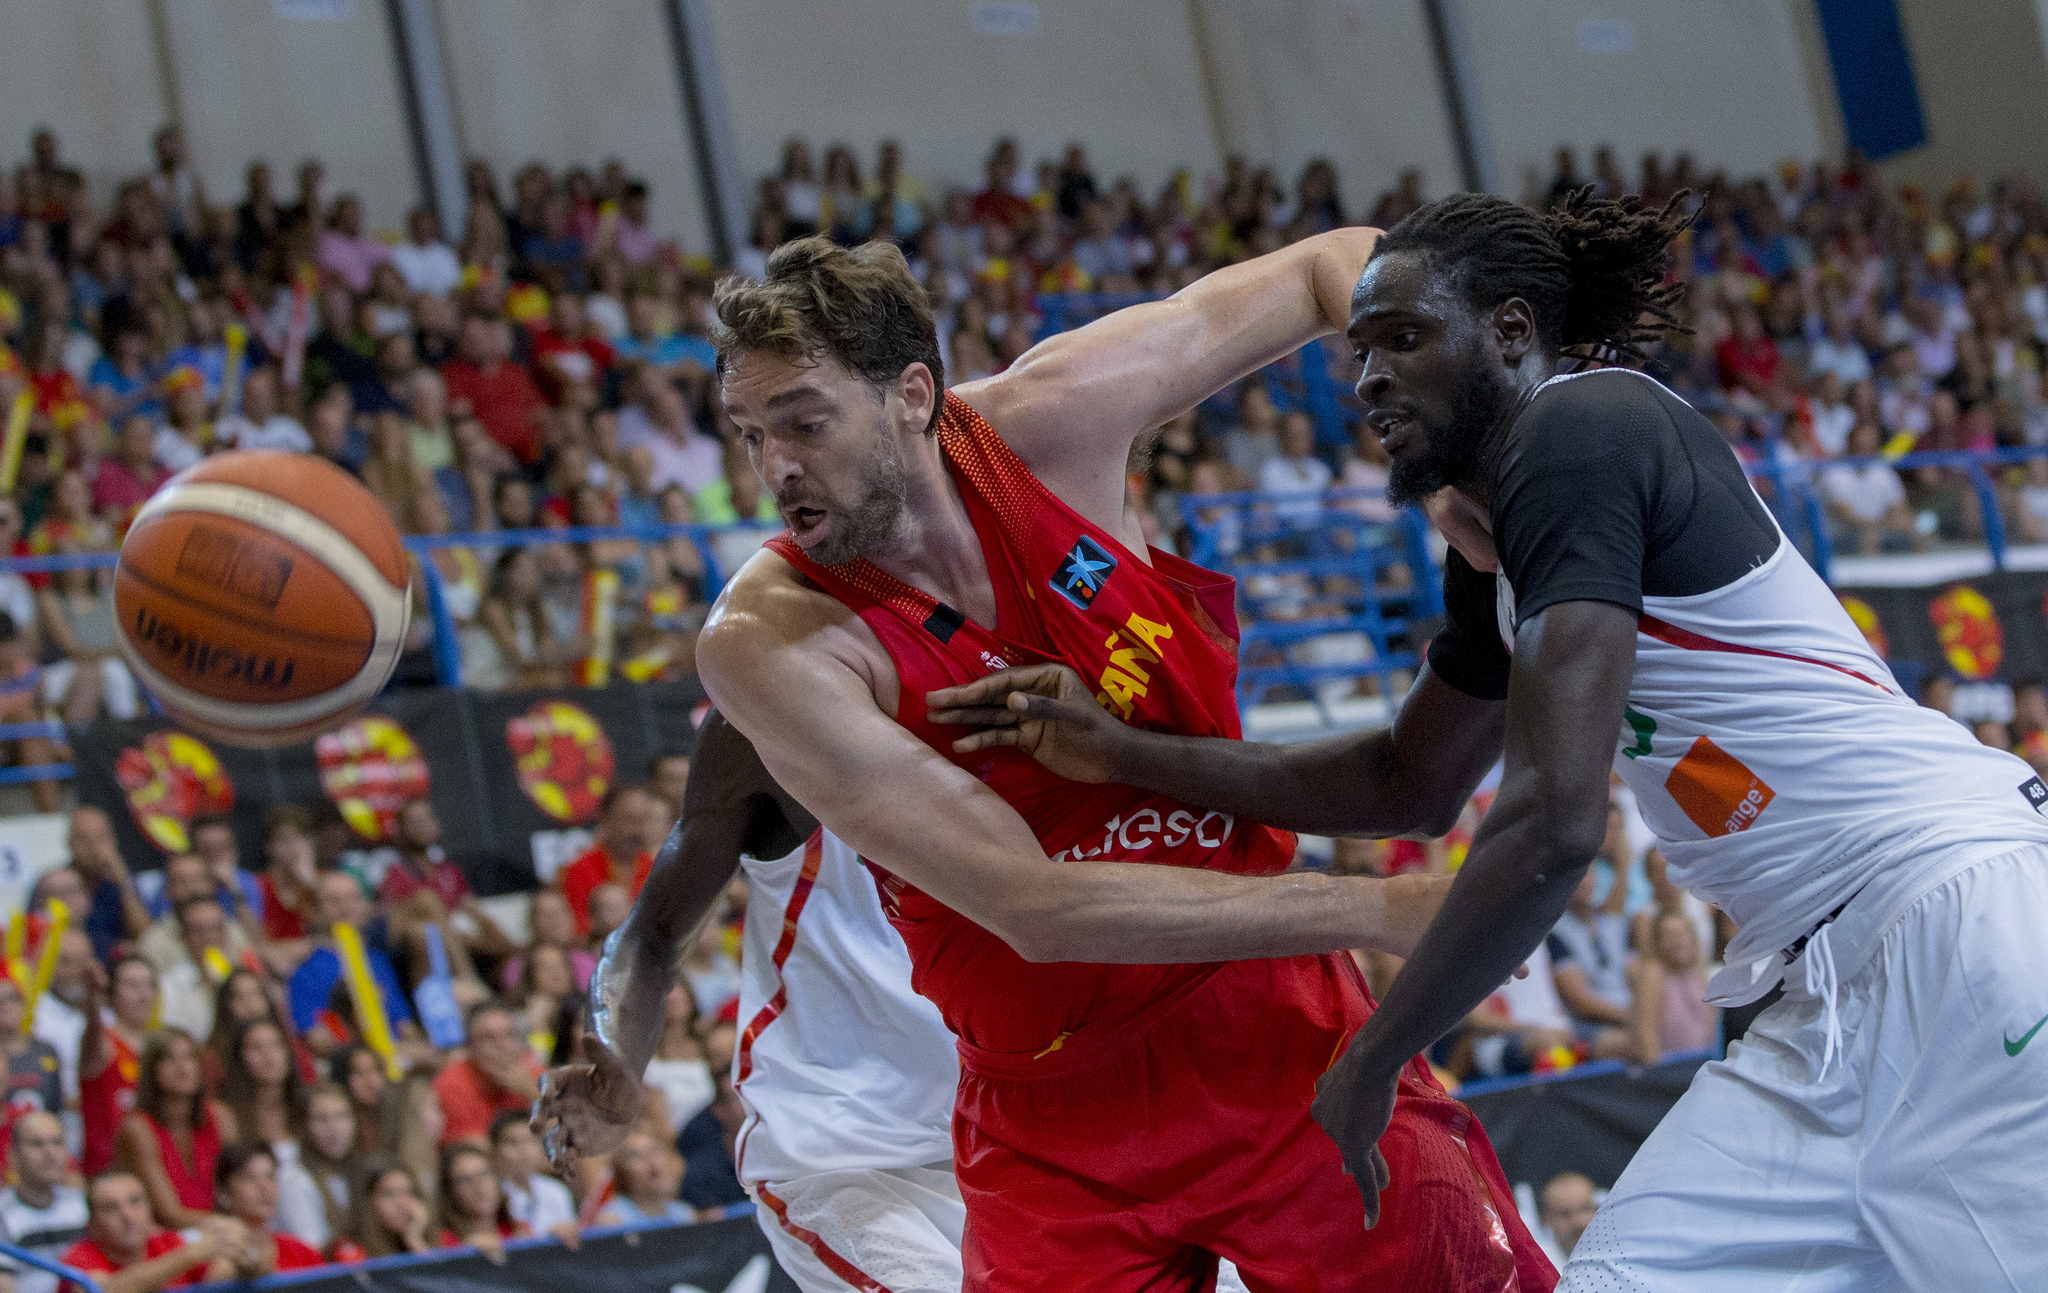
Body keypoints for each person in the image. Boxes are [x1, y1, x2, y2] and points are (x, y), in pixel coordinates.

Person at [936, 190, 2048, 1291]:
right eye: (1358, 350)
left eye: (1403, 339)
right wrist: (1123, 753)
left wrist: (1373, 1053)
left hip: (1952, 912)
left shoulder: (1580, 429)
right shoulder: (1495, 554)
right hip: (1822, 988)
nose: (1367, 378)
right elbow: (1402, 783)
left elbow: (1552, 823)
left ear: (1511, 333)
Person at [685, 235, 1544, 1289]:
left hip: (1269, 1023)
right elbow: (1033, 907)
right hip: (1048, 1110)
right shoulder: (768, 641)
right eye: (748, 434)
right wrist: (1375, 912)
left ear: (911, 395)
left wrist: (1463, 448)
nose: (775, 467)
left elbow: (1342, 266)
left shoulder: (1053, 418)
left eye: (803, 423)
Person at [114, 1030, 238, 1228]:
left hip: (221, 1231)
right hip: (168, 1238)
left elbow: (238, 1189)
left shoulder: (221, 1117)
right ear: (152, 1071)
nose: (182, 1067)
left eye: (189, 1057)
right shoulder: (139, 1130)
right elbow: (169, 1215)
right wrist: (233, 1226)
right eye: (169, 1059)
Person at [57, 1172, 241, 1293]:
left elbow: (225, 1273)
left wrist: (244, 1256)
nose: (128, 1216)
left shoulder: (166, 1242)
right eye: (111, 1208)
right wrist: (190, 1255)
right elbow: (105, 1290)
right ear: (91, 1223)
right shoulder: (77, 1259)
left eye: (135, 1202)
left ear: (150, 1209)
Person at [80, 957, 155, 1177]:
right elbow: (92, 1033)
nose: (143, 994)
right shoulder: (104, 1043)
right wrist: (93, 998)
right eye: (132, 985)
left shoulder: (161, 1047)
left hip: (154, 1171)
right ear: (111, 994)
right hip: (109, 1171)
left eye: (148, 984)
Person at [555, 785, 665, 935]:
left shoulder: (656, 868)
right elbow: (575, 930)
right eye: (629, 820)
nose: (638, 831)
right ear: (605, 818)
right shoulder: (580, 869)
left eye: (644, 820)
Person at [0, 1113, 88, 1293]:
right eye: (36, 1144)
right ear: (13, 1155)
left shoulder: (83, 1204)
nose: (50, 1153)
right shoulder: (3, 1213)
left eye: (57, 1143)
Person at [431, 1003, 540, 1147]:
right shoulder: (452, 1083)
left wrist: (534, 1094)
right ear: (469, 1046)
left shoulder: (536, 1076)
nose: (502, 1046)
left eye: (509, 1035)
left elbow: (572, 1136)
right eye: (489, 1038)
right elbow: (470, 1151)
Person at [211, 1144, 326, 1275]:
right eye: (249, 1178)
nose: (264, 1187)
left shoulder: (303, 1253)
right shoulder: (202, 1257)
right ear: (223, 1192)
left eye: (270, 1177)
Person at [330, 1159, 435, 1262]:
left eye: (408, 1192)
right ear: (367, 1202)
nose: (403, 1204)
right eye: (389, 1194)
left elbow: (437, 1278)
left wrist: (415, 1240)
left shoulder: (438, 1239)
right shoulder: (349, 1251)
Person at [487, 1111, 574, 1235]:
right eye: (512, 1142)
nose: (524, 1150)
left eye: (530, 1140)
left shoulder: (556, 1190)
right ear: (495, 1150)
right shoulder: (492, 1196)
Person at [434, 1142, 527, 1256]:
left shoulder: (518, 1230)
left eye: (485, 1174)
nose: (479, 1186)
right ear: (450, 1191)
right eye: (465, 1180)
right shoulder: (444, 1242)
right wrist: (466, 1252)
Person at [594, 1129, 692, 1225]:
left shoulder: (684, 1214)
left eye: (655, 1150)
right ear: (621, 1171)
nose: (650, 1160)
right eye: (636, 1155)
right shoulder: (612, 1221)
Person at [0, 976, 64, 1120]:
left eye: (11, 998)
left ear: (23, 1005)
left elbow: (58, 1103)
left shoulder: (46, 1051)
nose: (5, 1005)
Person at [1538, 1172, 1599, 1267]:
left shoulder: (1618, 1254)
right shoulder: (1538, 1266)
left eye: (1585, 1209)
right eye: (1564, 1214)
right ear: (1545, 1220)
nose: (1579, 1222)